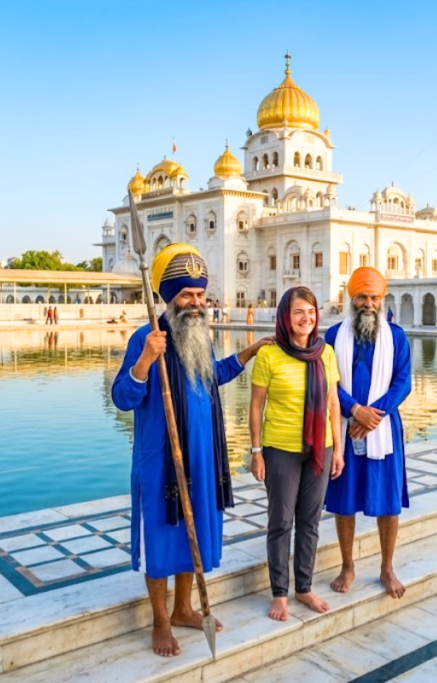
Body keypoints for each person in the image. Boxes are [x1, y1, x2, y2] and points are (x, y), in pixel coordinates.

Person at [111, 244, 273, 657]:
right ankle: (161, 620)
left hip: (202, 459)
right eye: (187, 295)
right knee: (162, 538)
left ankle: (184, 608)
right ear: (169, 298)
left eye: (201, 295)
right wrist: (145, 360)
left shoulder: (199, 335)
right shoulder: (147, 339)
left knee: (192, 531)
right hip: (162, 463)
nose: (197, 303)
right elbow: (123, 398)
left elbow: (211, 376)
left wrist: (250, 352)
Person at [250, 286, 343, 622]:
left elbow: (333, 403)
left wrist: (339, 449)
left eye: (311, 311)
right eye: (298, 312)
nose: (306, 318)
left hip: (320, 448)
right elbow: (256, 406)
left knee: (310, 522)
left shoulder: (326, 353)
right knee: (281, 522)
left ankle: (303, 587)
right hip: (280, 451)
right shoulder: (269, 355)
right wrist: (256, 451)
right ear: (285, 319)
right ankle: (279, 593)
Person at [324, 267, 412, 599]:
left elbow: (403, 382)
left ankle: (387, 567)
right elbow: (327, 381)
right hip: (345, 429)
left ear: (381, 299)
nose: (368, 303)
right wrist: (353, 410)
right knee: (344, 502)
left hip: (383, 430)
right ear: (352, 298)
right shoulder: (333, 336)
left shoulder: (397, 337)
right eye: (362, 296)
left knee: (388, 503)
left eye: (374, 297)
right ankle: (348, 566)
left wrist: (373, 415)